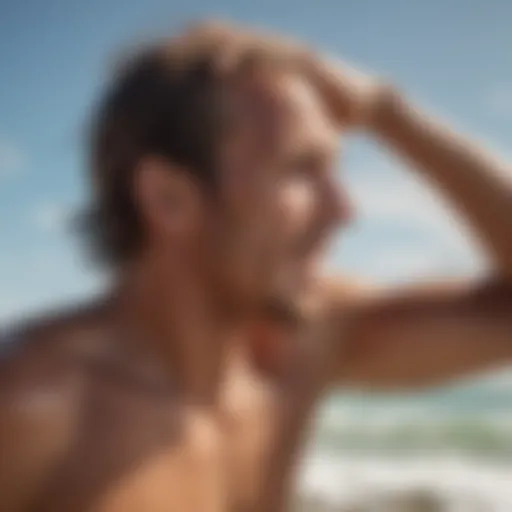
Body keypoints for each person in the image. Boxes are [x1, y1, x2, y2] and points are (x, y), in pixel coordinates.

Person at [0, 21, 511, 512]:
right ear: (169, 197)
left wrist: (383, 109)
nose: (343, 210)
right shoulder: (32, 405)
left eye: (333, 168)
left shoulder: (304, 342)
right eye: (301, 169)